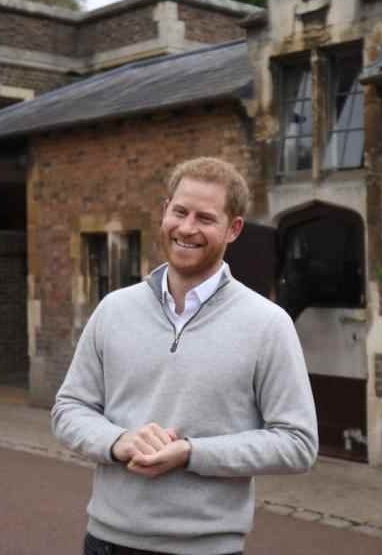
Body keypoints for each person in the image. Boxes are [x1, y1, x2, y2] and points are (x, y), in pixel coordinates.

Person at [52, 157, 318, 555]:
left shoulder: (268, 324)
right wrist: (118, 440)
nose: (187, 228)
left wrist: (193, 453)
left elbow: (297, 442)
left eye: (205, 218)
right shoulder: (114, 309)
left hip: (206, 549)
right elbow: (69, 408)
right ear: (164, 212)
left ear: (234, 229)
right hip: (107, 541)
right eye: (180, 212)